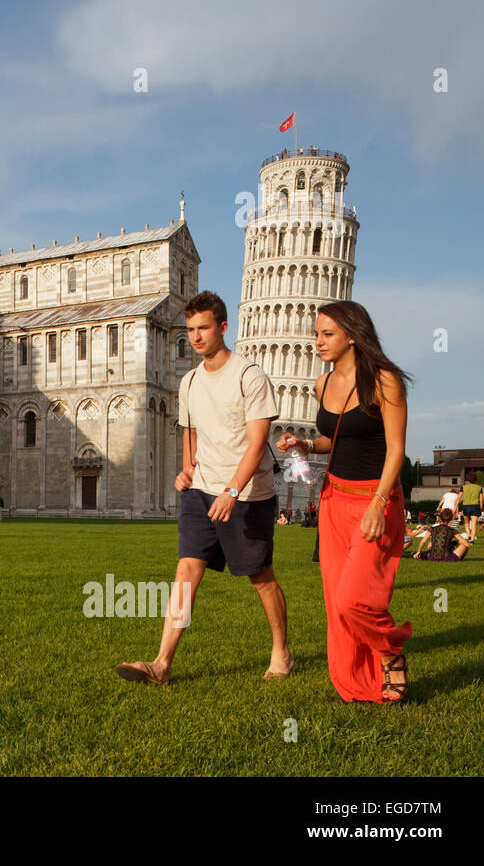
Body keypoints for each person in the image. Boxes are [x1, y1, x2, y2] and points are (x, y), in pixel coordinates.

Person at [116, 291, 292, 686]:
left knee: (260, 577)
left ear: (223, 328)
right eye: (191, 329)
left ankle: (282, 650)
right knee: (186, 572)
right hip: (201, 492)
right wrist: (186, 471)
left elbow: (257, 441)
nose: (196, 337)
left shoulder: (249, 376)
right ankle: (161, 664)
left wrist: (231, 491)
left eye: (204, 328)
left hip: (248, 495)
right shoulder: (190, 381)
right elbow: (191, 432)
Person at [277, 300, 412, 704]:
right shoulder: (323, 383)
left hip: (375, 501)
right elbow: (335, 440)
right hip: (335, 500)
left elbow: (396, 450)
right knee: (337, 602)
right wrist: (306, 445)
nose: (317, 341)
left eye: (327, 334)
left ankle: (390, 654)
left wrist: (379, 501)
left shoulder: (384, 381)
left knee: (358, 598)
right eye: (316, 334)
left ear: (353, 335)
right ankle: (358, 682)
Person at [460, 470, 483, 543]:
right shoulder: (479, 487)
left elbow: (459, 498)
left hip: (466, 506)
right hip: (475, 506)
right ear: (476, 479)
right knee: (474, 524)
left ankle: (469, 536)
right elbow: (481, 500)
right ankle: (472, 540)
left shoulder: (463, 487)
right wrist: (481, 508)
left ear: (468, 479)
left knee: (466, 523)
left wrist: (456, 506)